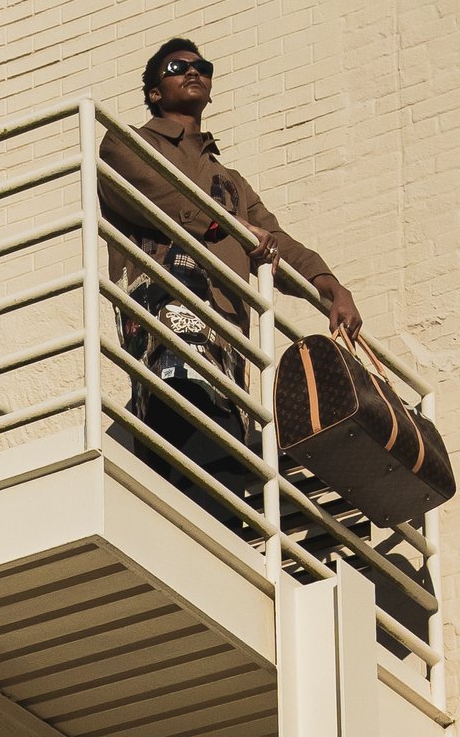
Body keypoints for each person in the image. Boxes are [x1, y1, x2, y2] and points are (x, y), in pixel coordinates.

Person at [106, 40, 364, 521]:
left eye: (202, 67)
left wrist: (328, 284)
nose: (193, 72)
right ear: (154, 92)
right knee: (180, 411)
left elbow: (277, 241)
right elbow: (166, 199)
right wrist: (229, 225)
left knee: (221, 448)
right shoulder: (126, 143)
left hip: (226, 327)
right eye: (177, 66)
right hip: (167, 306)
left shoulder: (231, 181)